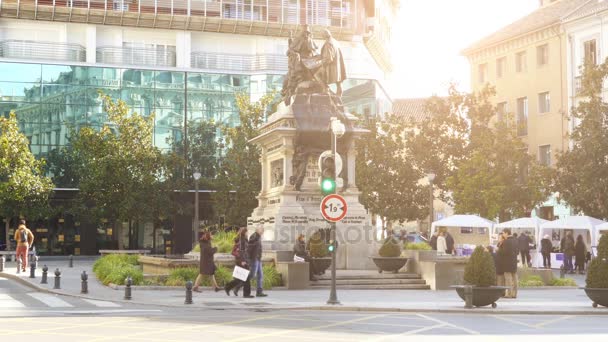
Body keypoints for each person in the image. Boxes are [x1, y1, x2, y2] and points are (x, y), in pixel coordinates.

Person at [224, 228, 254, 298]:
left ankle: (227, 287)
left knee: (240, 278)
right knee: (246, 278)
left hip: (243, 261)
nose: (248, 233)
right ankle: (246, 294)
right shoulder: (242, 241)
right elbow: (242, 252)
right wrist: (243, 261)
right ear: (244, 233)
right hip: (242, 262)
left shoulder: (244, 240)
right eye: (247, 232)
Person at [498, 229, 518, 298]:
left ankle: (509, 294)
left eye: (503, 233)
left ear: (506, 233)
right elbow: (517, 252)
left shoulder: (506, 241)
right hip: (514, 261)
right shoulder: (516, 240)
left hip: (507, 262)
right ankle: (514, 294)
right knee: (515, 278)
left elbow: (504, 252)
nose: (502, 235)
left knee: (508, 279)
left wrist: (499, 249)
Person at [248, 227, 268, 297]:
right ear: (257, 230)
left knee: (260, 275)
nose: (263, 232)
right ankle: (239, 284)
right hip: (254, 259)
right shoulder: (254, 236)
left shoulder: (258, 237)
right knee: (252, 275)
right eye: (262, 230)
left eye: (263, 230)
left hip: (258, 259)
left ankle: (259, 292)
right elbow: (250, 247)